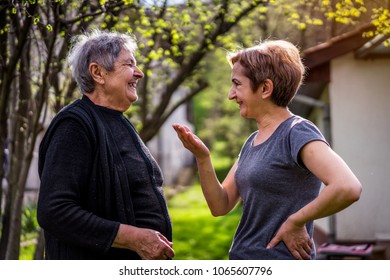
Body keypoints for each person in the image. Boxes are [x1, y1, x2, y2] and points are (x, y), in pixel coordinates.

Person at [172, 39, 362, 260]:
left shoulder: (296, 132)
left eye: (237, 84)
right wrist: (202, 158)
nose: (230, 95)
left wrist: (296, 221)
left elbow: (348, 187)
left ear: (265, 88)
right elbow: (220, 205)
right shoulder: (253, 141)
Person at [37, 29, 175, 260]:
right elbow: (54, 210)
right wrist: (134, 239)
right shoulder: (74, 124)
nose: (139, 73)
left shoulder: (118, 121)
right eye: (129, 64)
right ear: (98, 73)